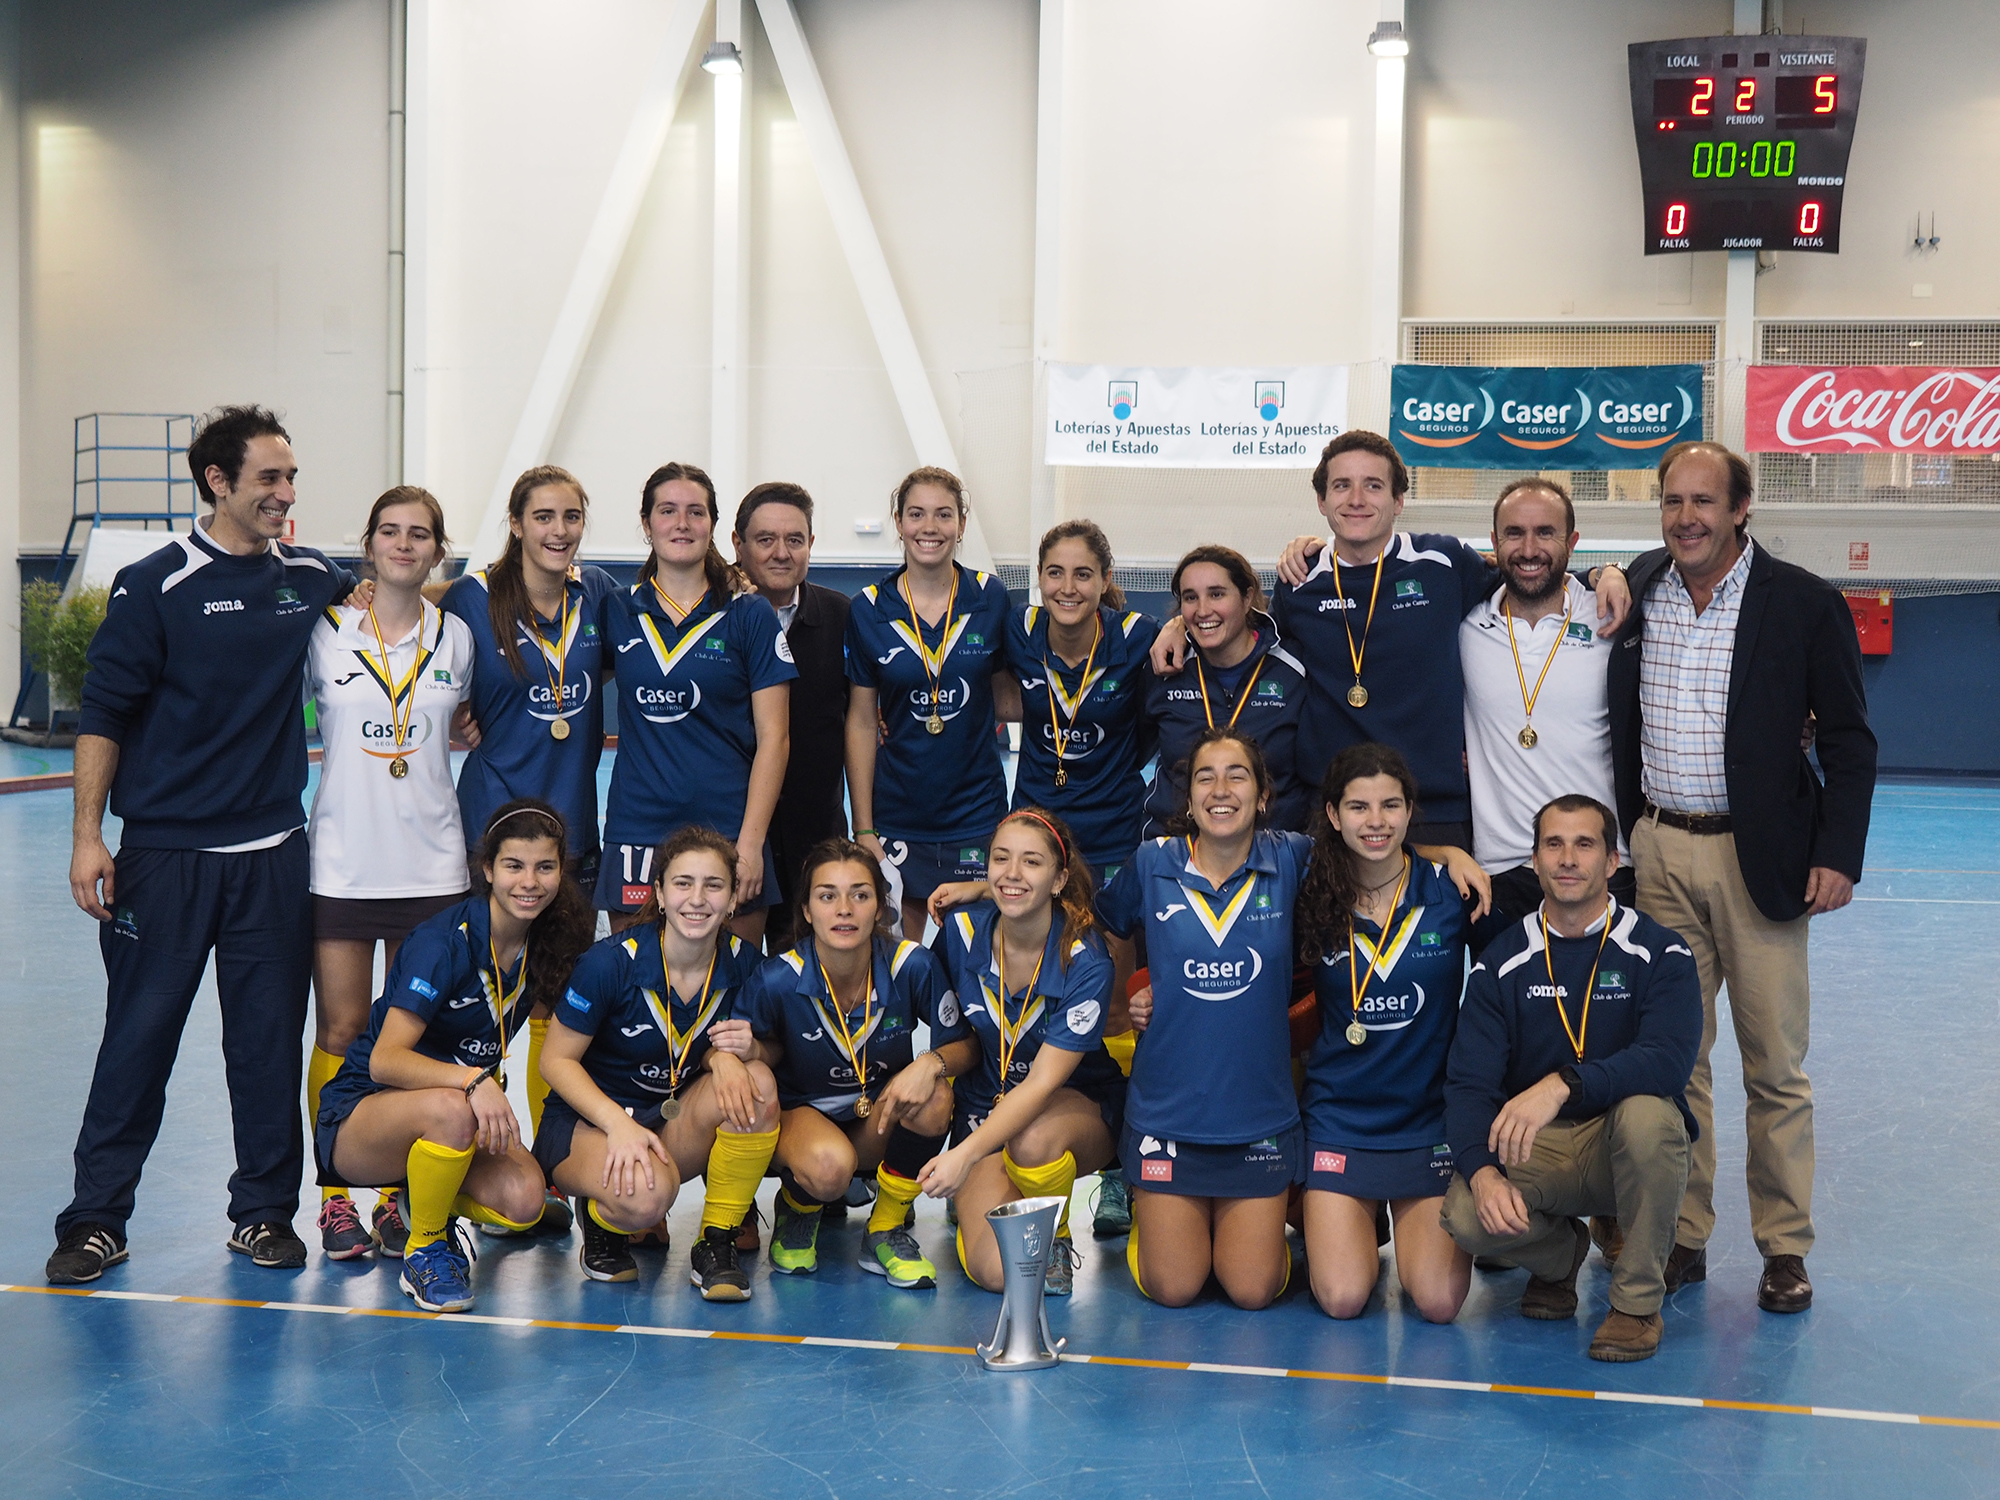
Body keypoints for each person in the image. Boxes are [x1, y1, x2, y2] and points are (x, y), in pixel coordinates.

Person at [51, 405, 362, 1285]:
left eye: (291, 477)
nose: (286, 493)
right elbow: (103, 716)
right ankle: (96, 1220)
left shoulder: (310, 576)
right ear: (218, 483)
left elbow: (387, 611)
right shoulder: (155, 583)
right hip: (164, 860)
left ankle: (263, 1216)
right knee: (137, 1043)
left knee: (265, 1047)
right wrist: (87, 838)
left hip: (272, 856)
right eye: (269, 478)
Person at [1607, 440, 1877, 1314]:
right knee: (1677, 1061)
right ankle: (1682, 1237)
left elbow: (1847, 739)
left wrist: (1836, 852)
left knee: (1774, 1068)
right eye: (1673, 502)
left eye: (1704, 502)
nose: (1687, 517)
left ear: (1740, 509)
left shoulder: (1802, 602)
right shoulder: (1642, 586)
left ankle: (1783, 1248)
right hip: (1658, 854)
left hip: (1760, 859)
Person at [1152, 431, 1629, 848]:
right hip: (1333, 815)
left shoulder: (1444, 563)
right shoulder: (1299, 581)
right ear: (1322, 501)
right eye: (1342, 485)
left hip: (1434, 814)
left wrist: (1603, 572)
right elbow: (1243, 637)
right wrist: (1180, 625)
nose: (1356, 498)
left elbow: (1528, 570)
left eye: (1373, 485)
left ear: (1399, 501)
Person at [1442, 795, 1701, 1362]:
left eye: (1585, 844)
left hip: (1623, 1146)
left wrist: (1562, 1084)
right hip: (1543, 1149)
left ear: (1613, 862)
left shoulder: (1662, 952)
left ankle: (1635, 1307)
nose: (1568, 859)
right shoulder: (1501, 963)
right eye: (1553, 845)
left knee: (1652, 1114)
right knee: (1463, 1213)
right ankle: (1561, 1257)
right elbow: (1468, 1085)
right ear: (1533, 861)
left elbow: (1667, 1060)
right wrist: (1483, 1174)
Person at [314, 800, 594, 1312]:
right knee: (451, 1106)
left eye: (544, 867)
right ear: (487, 869)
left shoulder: (548, 941)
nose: (529, 881)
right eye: (513, 865)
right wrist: (473, 1081)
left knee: (526, 1201)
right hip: (363, 1117)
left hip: (452, 1120)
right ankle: (424, 1248)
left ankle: (420, 1196)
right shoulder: (442, 943)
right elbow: (385, 1060)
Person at [443, 464, 617, 1228]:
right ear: (516, 522)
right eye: (543, 516)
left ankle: (550, 1167)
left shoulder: (599, 597)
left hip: (573, 835)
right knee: (482, 1003)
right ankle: (465, 1155)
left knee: (558, 1002)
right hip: (493, 835)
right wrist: (456, 718)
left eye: (571, 517)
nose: (558, 530)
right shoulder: (472, 599)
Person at [305, 485, 476, 1261]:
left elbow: (465, 721)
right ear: (368, 545)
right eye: (390, 532)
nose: (404, 545)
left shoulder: (457, 638)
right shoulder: (325, 633)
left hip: (434, 867)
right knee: (342, 1032)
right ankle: (336, 1195)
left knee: (417, 1036)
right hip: (343, 864)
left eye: (420, 535)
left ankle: (404, 1196)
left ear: (438, 550)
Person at [1097, 729, 1309, 1309]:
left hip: (1257, 1117)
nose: (1221, 789)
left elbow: (1375, 855)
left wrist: (1449, 854)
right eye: (1205, 777)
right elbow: (1100, 926)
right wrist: (1126, 1000)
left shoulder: (1290, 857)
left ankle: (1275, 1231)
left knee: (1251, 1291)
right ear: (1186, 799)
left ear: (1263, 796)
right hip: (1169, 1115)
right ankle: (1158, 1217)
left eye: (1237, 775)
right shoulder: (1151, 863)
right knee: (1175, 1288)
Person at [536, 826, 778, 1295]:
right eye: (683, 883)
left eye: (714, 885)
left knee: (759, 1082)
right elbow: (556, 1061)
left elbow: (771, 1049)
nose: (697, 899)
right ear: (660, 895)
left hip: (670, 1119)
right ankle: (600, 1216)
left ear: (732, 901)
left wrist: (735, 1056)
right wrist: (616, 1124)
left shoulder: (745, 964)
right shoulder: (609, 964)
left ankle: (717, 1240)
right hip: (589, 1123)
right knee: (648, 1200)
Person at [736, 838, 976, 1289]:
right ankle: (798, 1206)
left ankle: (884, 1227)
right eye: (827, 896)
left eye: (860, 895)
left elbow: (965, 1045)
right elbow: (741, 1053)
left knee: (936, 1094)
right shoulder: (777, 978)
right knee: (829, 1168)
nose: (844, 909)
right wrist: (749, 1055)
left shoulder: (913, 965)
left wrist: (931, 1062)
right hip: (802, 1121)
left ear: (881, 907)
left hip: (877, 1117)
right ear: (807, 910)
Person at [1296, 744, 1476, 1324]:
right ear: (1332, 815)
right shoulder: (1306, 890)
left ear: (1409, 810)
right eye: (1359, 807)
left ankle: (1372, 1216)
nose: (1376, 821)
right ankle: (1354, 1220)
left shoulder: (1452, 892)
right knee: (1344, 1299)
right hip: (1340, 1120)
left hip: (1427, 1123)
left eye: (1390, 806)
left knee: (1439, 1303)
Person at [916, 809, 1123, 1297]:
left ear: (1059, 878)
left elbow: (1044, 1083)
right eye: (1000, 859)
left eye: (1031, 862)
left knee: (1031, 1139)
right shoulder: (961, 931)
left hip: (1071, 1109)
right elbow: (958, 1041)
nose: (1012, 873)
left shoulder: (1085, 957)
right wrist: (931, 1064)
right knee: (998, 1273)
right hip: (984, 1111)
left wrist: (963, 1156)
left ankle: (1059, 1235)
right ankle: (1009, 1209)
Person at [597, 463, 794, 942]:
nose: (682, 523)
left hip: (728, 829)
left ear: (712, 526)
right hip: (638, 829)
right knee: (635, 987)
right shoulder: (616, 610)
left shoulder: (749, 614)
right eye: (668, 511)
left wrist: (750, 842)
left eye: (695, 512)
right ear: (647, 524)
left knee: (732, 996)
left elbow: (776, 737)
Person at [845, 467, 1019, 938]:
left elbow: (1011, 693)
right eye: (916, 514)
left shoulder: (990, 598)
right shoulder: (868, 609)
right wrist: (863, 829)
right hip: (897, 815)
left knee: (971, 961)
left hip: (976, 813)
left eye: (944, 515)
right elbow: (861, 722)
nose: (930, 527)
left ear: (962, 525)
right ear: (898, 522)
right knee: (900, 966)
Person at [1460, 478, 1631, 951]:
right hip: (1500, 873)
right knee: (1510, 1019)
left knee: (1599, 1023)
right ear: (1493, 544)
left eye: (1546, 533)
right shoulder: (1466, 623)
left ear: (1572, 543)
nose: (1529, 549)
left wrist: (1611, 571)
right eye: (1514, 533)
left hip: (1600, 865)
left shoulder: (1611, 617)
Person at [731, 481, 852, 952]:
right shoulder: (713, 615)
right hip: (733, 835)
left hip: (813, 840)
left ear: (811, 544)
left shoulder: (842, 616)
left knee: (803, 995)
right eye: (765, 540)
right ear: (737, 545)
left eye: (795, 540)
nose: (781, 553)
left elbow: (866, 713)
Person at [1142, 545, 1309, 835]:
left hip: (1275, 853)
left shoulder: (1295, 669)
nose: (1203, 610)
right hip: (1178, 850)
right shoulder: (1164, 666)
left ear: (1246, 598)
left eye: (1217, 594)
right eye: (1190, 598)